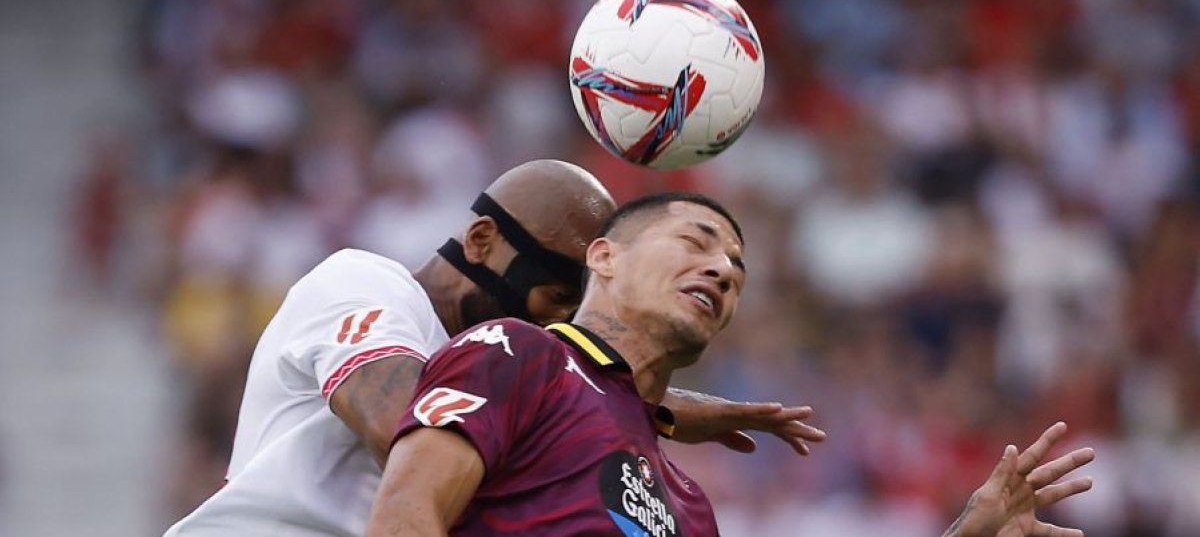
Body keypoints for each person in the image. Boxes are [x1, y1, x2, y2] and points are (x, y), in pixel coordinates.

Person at [367, 192, 1095, 536]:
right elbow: (405, 513)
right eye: (696, 240)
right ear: (604, 255)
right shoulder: (518, 352)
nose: (721, 269)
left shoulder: (688, 504)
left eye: (737, 268)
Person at [164, 162, 824, 536]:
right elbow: (403, 422)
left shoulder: (520, 372)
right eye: (559, 291)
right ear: (482, 241)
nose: (571, 314)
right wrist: (641, 406)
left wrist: (638, 404)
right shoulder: (365, 283)